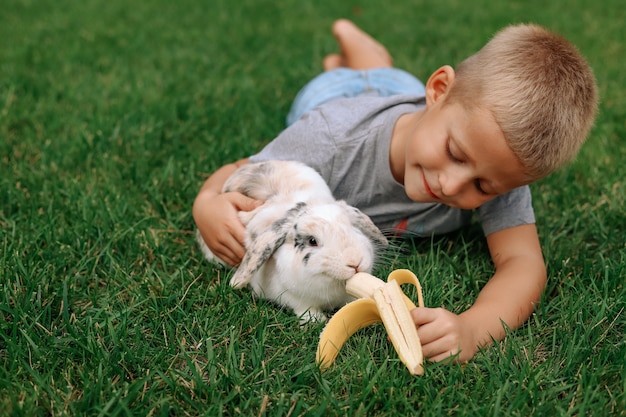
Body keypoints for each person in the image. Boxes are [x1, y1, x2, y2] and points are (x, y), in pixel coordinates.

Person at [193, 19, 598, 362]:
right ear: (439, 91)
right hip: (335, 96)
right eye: (454, 152)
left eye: (481, 186)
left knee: (387, 80)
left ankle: (369, 60)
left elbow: (524, 263)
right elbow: (241, 170)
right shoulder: (329, 136)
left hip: (404, 94)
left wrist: (473, 327)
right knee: (352, 80)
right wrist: (208, 202)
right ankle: (358, 55)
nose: (451, 185)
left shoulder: (500, 169)